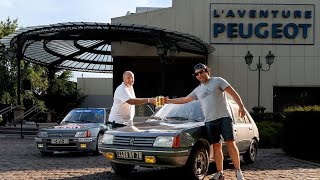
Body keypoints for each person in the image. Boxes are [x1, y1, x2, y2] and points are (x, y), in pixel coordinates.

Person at [165, 63, 246, 180]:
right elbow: (184, 99)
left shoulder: (218, 81)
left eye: (201, 72)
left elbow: (232, 93)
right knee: (216, 146)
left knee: (230, 143)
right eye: (196, 74)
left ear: (207, 71)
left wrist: (241, 106)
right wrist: (169, 101)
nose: (199, 75)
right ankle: (220, 173)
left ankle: (238, 172)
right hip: (210, 121)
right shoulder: (197, 90)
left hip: (224, 117)